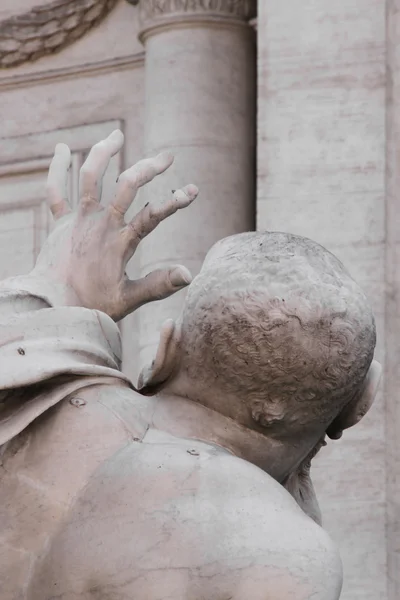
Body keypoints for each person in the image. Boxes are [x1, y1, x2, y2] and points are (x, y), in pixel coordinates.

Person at [0, 131, 381, 600]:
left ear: (165, 350)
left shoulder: (29, 395)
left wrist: (56, 289)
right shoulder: (279, 551)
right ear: (360, 402)